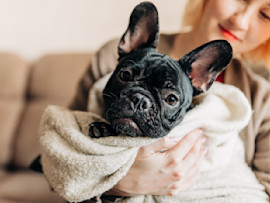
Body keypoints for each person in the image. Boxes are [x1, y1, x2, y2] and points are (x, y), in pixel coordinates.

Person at [70, 0, 270, 200]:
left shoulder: (262, 99)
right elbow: (66, 153)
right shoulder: (110, 59)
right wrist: (117, 184)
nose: (241, 21)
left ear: (202, 79)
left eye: (266, 14)